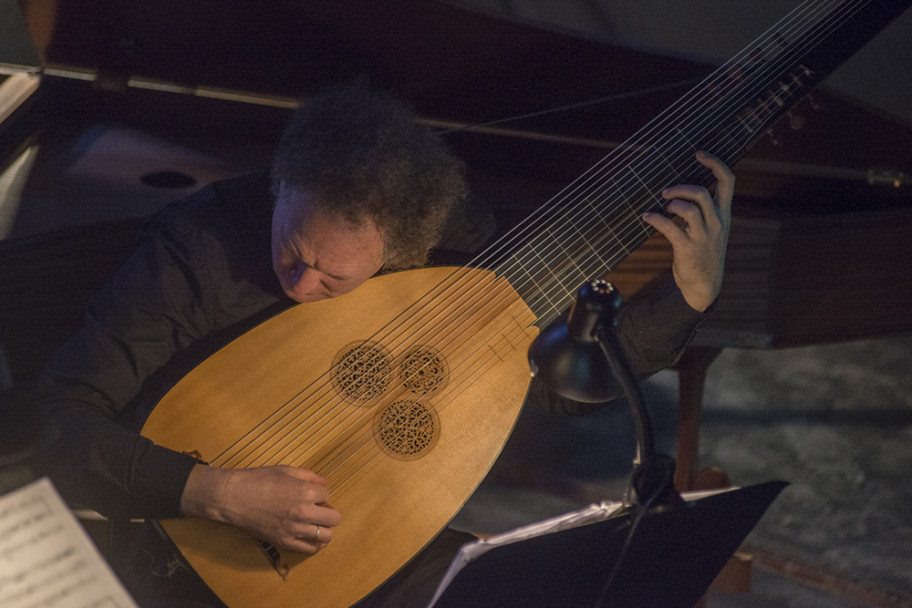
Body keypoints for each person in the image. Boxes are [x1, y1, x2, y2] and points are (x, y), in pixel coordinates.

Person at [29, 82, 734, 607]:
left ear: (403, 253)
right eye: (291, 253)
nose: (303, 287)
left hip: (367, 546)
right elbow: (57, 422)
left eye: (334, 277)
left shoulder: (448, 250)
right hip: (179, 556)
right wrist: (216, 492)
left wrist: (689, 297)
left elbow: (555, 382)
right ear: (282, 184)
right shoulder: (196, 251)